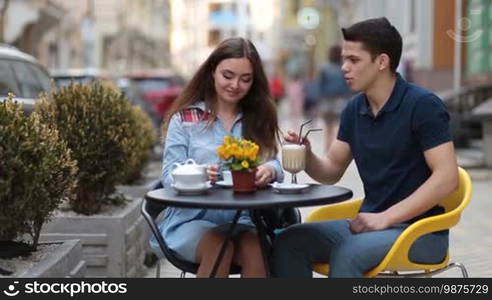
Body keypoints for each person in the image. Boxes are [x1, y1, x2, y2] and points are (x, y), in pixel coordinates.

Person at [272, 17, 459, 277]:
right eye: (344, 59)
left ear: (382, 62)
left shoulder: (423, 105)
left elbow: (448, 178)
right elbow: (331, 170)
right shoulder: (354, 109)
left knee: (349, 252)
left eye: (354, 60)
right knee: (289, 242)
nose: (344, 68)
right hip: (369, 225)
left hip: (421, 232)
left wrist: (386, 217)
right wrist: (308, 155)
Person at [151, 37, 284, 278]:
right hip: (190, 220)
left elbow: (274, 161)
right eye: (228, 75)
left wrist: (272, 170)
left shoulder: (258, 118)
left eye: (245, 79)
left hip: (243, 219)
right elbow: (169, 177)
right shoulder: (186, 119)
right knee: (221, 247)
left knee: (259, 249)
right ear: (213, 71)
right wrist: (198, 176)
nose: (235, 85)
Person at [317, 45, 351, 149]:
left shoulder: (324, 68)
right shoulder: (343, 68)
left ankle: (327, 148)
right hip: (340, 100)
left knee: (328, 127)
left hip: (326, 100)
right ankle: (335, 149)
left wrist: (319, 99)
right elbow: (346, 85)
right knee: (338, 127)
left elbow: (320, 85)